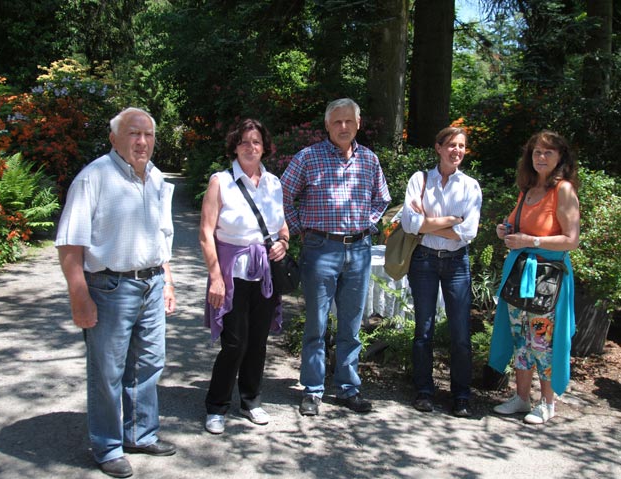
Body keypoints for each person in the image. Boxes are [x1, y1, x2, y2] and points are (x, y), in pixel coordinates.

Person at [56, 107, 177, 478]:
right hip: (109, 287)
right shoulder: (94, 178)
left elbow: (162, 236)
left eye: (148, 135)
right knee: (107, 371)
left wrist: (167, 280)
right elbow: (69, 245)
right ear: (114, 138)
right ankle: (107, 445)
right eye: (132, 134)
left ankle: (140, 433)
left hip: (152, 283)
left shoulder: (156, 177)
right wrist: (80, 296)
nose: (141, 142)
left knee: (148, 365)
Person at [281, 98, 391, 416]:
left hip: (359, 250)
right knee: (316, 323)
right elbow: (284, 194)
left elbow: (381, 198)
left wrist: (367, 224)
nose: (343, 127)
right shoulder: (308, 158)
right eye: (337, 122)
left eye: (349, 121)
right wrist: (301, 227)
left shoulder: (369, 160)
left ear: (358, 124)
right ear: (327, 126)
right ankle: (313, 390)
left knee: (351, 325)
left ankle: (347, 387)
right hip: (321, 249)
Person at [200, 118, 288, 435]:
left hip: (263, 272)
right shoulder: (220, 182)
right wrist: (215, 277)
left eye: (256, 142)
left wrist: (284, 243)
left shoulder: (274, 183)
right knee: (234, 343)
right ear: (234, 147)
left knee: (258, 343)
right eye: (244, 142)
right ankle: (216, 405)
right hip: (232, 272)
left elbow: (281, 226)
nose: (250, 147)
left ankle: (251, 400)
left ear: (264, 147)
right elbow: (206, 233)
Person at [490, 130, 579, 424]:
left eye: (548, 153)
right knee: (521, 339)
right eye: (537, 152)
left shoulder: (563, 190)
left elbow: (571, 240)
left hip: (547, 281)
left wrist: (533, 242)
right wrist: (505, 229)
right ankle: (521, 398)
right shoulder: (527, 189)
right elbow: (515, 223)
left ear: (560, 158)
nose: (541, 157)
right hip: (521, 277)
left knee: (544, 343)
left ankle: (548, 403)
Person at [401, 126, 482, 418]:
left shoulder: (470, 186)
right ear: (438, 147)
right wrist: (449, 221)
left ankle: (460, 395)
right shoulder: (420, 179)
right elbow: (409, 224)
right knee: (423, 330)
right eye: (451, 145)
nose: (456, 151)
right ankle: (424, 391)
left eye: (461, 146)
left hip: (457, 263)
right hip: (423, 260)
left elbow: (468, 232)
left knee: (460, 333)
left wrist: (428, 222)